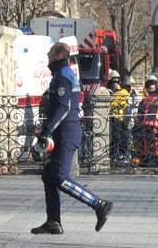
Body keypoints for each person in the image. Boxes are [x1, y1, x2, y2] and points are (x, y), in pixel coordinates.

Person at [32, 43, 112, 235]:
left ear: (59, 55)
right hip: (64, 130)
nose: (48, 54)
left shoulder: (62, 76)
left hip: (65, 131)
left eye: (50, 52)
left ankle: (98, 204)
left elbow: (63, 107)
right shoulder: (64, 73)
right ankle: (53, 221)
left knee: (59, 176)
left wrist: (47, 131)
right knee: (49, 177)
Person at [108, 74, 131, 165]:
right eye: (113, 82)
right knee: (115, 137)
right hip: (114, 118)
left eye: (117, 82)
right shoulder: (110, 93)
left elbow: (121, 103)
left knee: (124, 136)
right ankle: (114, 154)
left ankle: (123, 154)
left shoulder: (124, 92)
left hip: (123, 118)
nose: (115, 84)